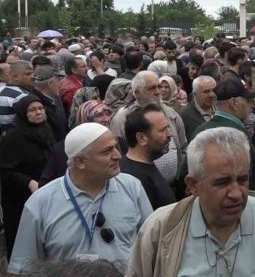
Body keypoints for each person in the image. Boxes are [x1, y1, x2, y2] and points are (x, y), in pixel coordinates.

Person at [126, 127, 255, 277]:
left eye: (243, 180)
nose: (236, 194)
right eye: (222, 182)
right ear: (193, 185)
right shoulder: (161, 228)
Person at [8, 122, 153, 275]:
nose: (117, 155)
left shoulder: (132, 187)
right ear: (80, 161)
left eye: (115, 147)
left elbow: (152, 246)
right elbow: (23, 269)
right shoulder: (40, 203)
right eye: (106, 151)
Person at [0, 95, 56, 256]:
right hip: (20, 199)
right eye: (32, 110)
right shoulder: (13, 137)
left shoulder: (46, 129)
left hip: (46, 192)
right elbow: (6, 171)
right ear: (23, 113)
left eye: (41, 108)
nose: (38, 112)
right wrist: (28, 182)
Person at [110, 71, 188, 185]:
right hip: (139, 185)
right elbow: (118, 153)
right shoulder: (122, 119)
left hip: (174, 186)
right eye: (151, 88)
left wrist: (180, 174)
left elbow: (183, 147)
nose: (157, 92)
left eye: (158, 87)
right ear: (137, 92)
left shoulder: (171, 114)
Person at [193, 80, 255, 191]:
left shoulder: (200, 129)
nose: (252, 105)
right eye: (248, 101)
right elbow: (249, 178)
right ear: (234, 103)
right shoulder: (237, 134)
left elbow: (185, 172)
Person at [39, 101, 113, 186]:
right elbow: (46, 182)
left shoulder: (117, 143)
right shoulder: (64, 148)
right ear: (85, 118)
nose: (106, 119)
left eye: (108, 114)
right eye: (99, 115)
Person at [120, 103, 176, 209]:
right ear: (141, 138)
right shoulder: (134, 178)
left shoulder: (146, 165)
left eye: (168, 128)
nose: (170, 134)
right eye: (162, 130)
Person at [32, 65, 69, 141]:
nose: (60, 84)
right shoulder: (36, 105)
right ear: (50, 84)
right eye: (58, 80)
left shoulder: (55, 98)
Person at [178, 75, 216, 142]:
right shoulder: (184, 115)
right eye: (206, 91)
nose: (211, 95)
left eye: (214, 90)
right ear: (195, 93)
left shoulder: (222, 110)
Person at [0, 60, 34, 131]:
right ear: (16, 77)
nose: (32, 76)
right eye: (28, 74)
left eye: (32, 73)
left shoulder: (3, 92)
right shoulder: (21, 96)